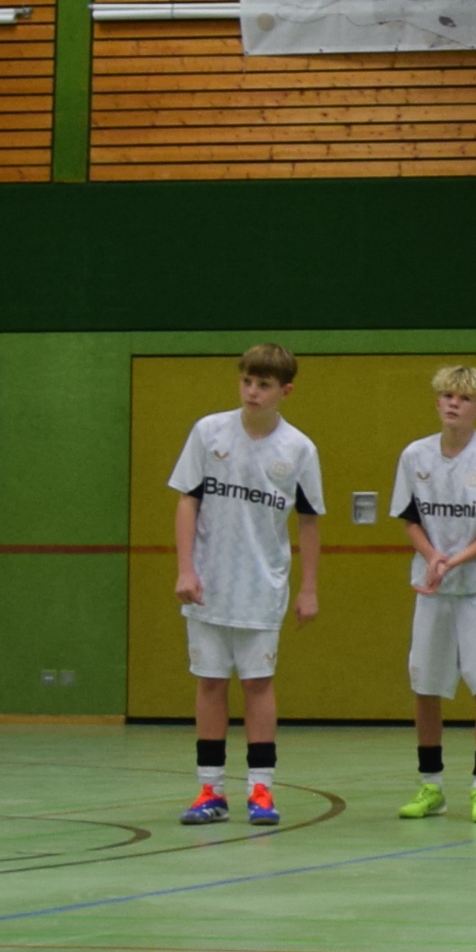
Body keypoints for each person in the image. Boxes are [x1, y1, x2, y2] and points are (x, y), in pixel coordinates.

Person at [167, 341, 323, 828]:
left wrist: (308, 588)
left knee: (257, 683)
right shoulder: (208, 431)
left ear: (285, 391)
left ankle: (260, 787)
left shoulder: (299, 449)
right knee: (210, 682)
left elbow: (309, 521)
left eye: (264, 385)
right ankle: (210, 789)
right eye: (247, 381)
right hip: (208, 584)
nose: (253, 391)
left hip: (262, 587)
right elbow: (187, 501)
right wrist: (186, 568)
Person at [392, 363, 476, 826]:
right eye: (448, 395)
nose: (454, 403)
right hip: (432, 590)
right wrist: (432, 556)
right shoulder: (415, 455)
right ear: (437, 402)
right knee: (426, 687)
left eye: (465, 398)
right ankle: (431, 786)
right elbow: (410, 519)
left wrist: (455, 560)